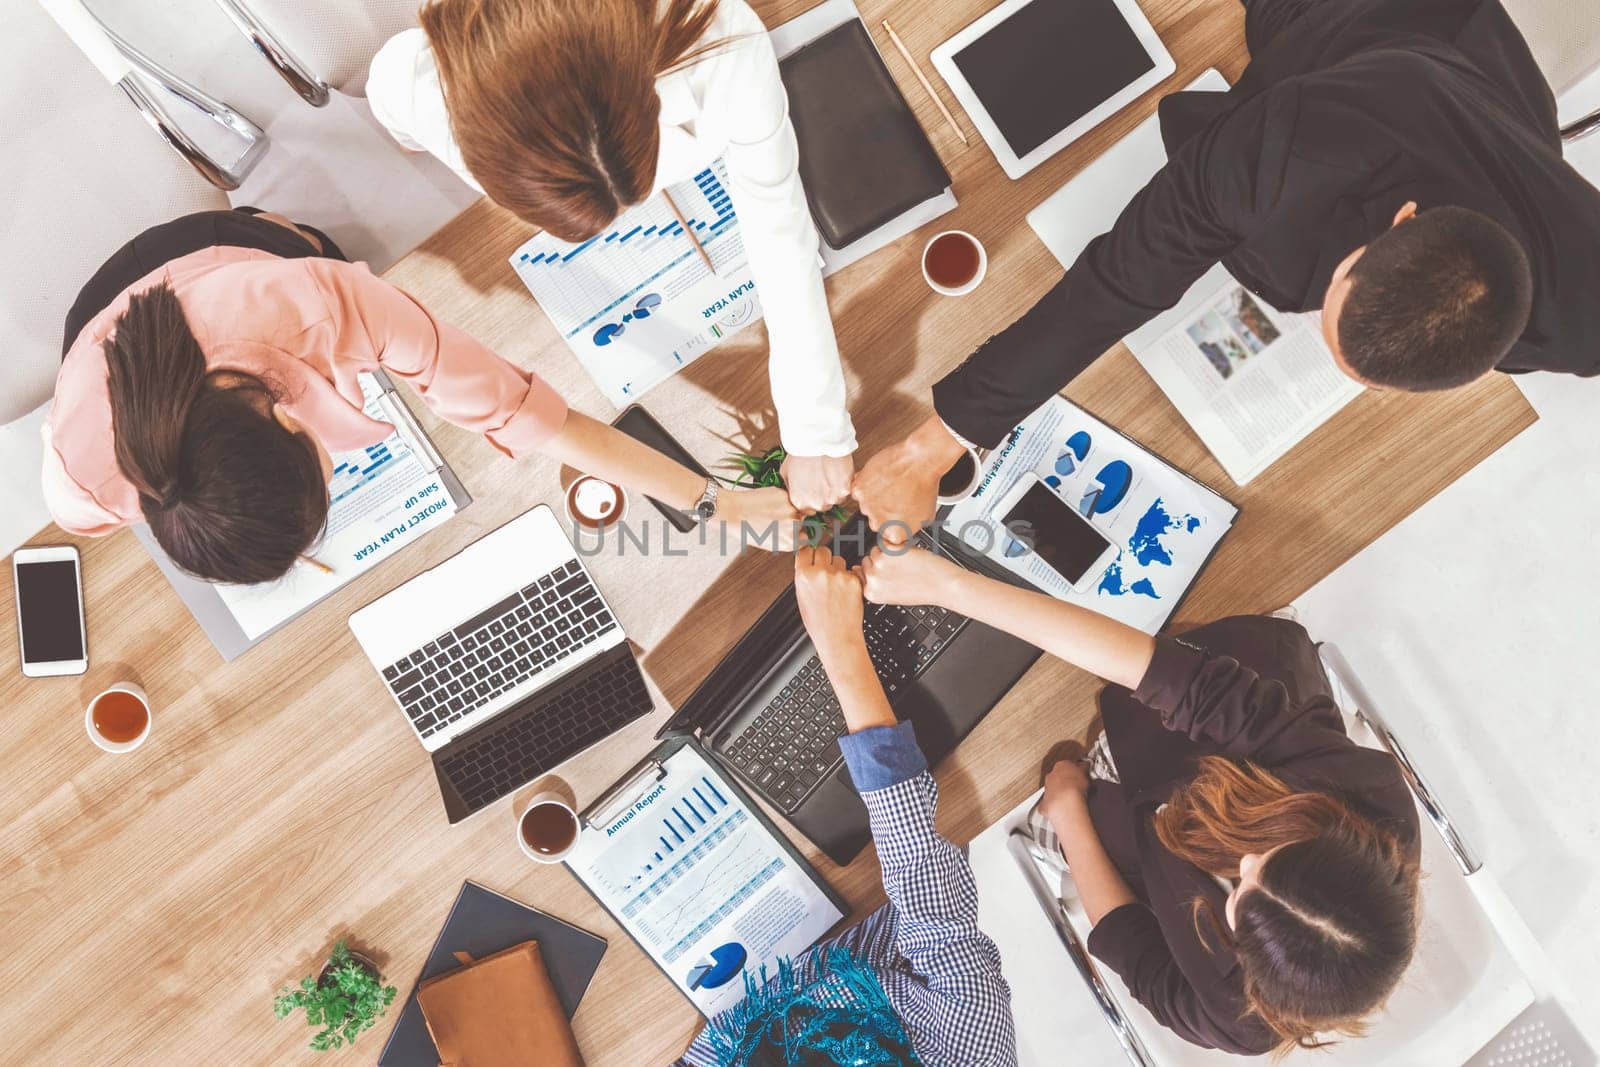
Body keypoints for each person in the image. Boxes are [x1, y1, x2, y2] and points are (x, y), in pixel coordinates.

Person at [853, 0, 1600, 541]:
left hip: (1475, 72)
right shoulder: (1279, 152)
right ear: (1401, 221)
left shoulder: (1584, 325)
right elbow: (1115, 285)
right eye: (1332, 310)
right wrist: (929, 445)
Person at [855, 545, 1420, 1056]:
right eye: (1271, 857)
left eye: (1242, 893)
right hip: (1226, 675)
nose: (1242, 861)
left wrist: (1070, 811)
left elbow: (1129, 939)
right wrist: (950, 587)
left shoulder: (1232, 1020)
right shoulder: (1370, 802)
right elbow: (1185, 682)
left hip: (1133, 826)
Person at [44, 208, 799, 584]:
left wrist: (717, 503)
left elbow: (530, 415)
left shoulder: (322, 299)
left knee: (310, 235)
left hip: (228, 248)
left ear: (283, 412)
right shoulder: (87, 484)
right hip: (100, 332)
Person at [368, 0, 856, 513]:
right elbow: (398, 115)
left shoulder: (720, 35)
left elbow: (777, 221)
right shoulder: (415, 83)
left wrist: (816, 429)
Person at [678, 545, 1017, 1067]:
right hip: (863, 909)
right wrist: (839, 642)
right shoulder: (970, 1045)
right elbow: (917, 868)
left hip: (725, 976)